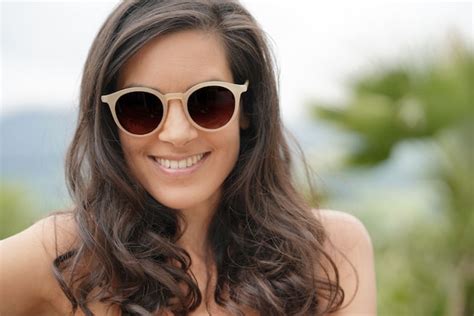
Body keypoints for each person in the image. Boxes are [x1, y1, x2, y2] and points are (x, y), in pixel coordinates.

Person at [0, 0, 376, 315]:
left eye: (207, 100)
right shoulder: (66, 256)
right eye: (141, 106)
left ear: (246, 109)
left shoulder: (332, 248)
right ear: (110, 123)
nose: (177, 133)